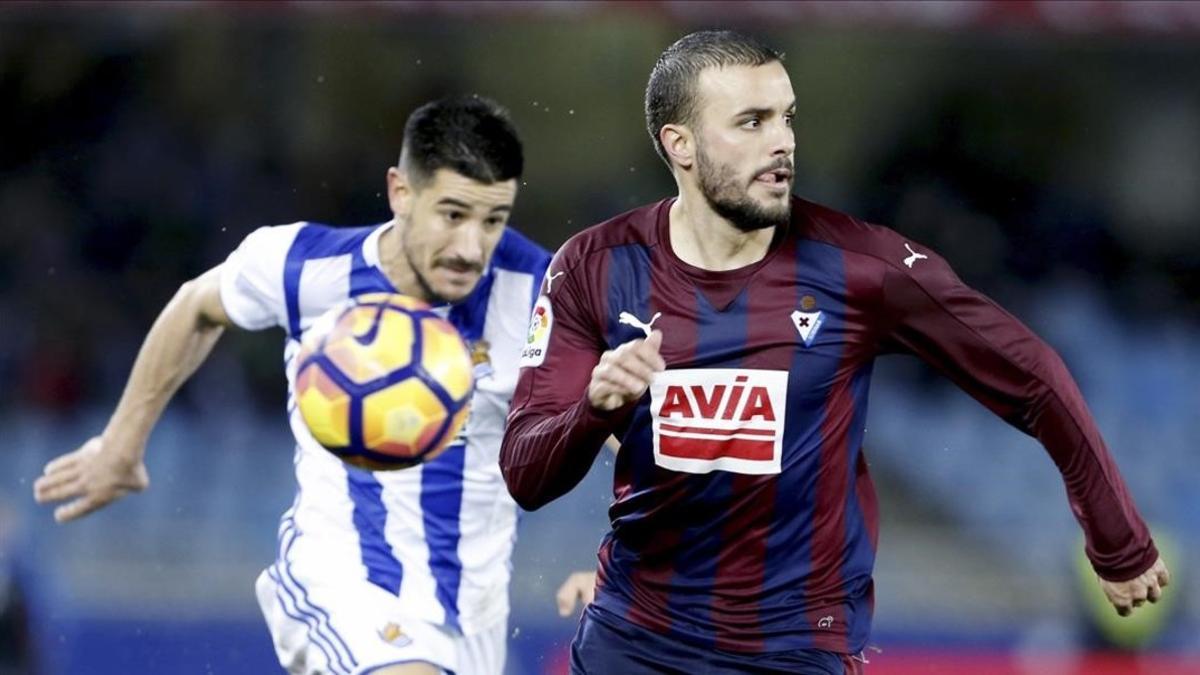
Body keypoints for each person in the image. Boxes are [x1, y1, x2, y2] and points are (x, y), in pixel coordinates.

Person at [499, 30, 1171, 674]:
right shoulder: (592, 266)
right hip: (634, 637)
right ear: (680, 143)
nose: (783, 142)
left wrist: (1117, 538)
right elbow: (526, 474)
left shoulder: (861, 267)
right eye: (752, 122)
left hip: (792, 647)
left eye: (787, 117)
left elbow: (1033, 374)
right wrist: (593, 407)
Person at [34, 96, 551, 675]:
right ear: (400, 192)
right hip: (346, 581)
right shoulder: (305, 267)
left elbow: (609, 419)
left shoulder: (541, 292)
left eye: (493, 220)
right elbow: (197, 306)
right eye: (452, 215)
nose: (470, 248)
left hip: (474, 615)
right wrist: (122, 442)